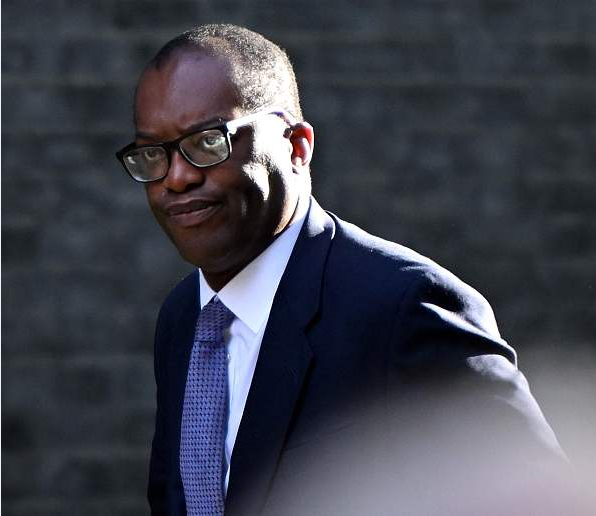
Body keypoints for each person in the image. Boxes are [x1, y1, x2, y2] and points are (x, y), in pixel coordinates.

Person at [117, 24, 563, 516]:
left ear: (296, 146)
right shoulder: (184, 319)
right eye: (152, 154)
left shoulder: (404, 307)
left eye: (207, 143)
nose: (176, 177)